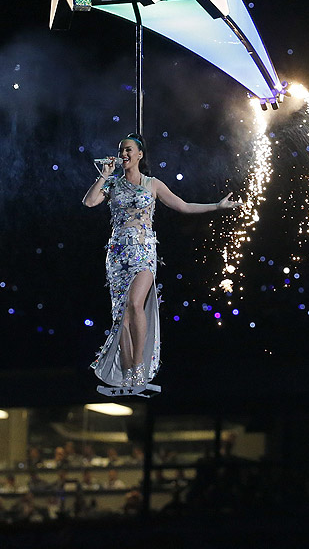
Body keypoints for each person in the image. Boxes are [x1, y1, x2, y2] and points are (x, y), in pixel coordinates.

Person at [83, 134, 240, 391]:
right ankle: (127, 377)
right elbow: (89, 202)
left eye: (128, 150)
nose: (123, 153)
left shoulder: (152, 184)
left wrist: (217, 206)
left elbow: (184, 206)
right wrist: (104, 174)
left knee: (135, 304)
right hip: (118, 254)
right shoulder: (112, 184)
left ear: (140, 155)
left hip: (144, 251)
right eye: (121, 150)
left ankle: (139, 370)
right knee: (121, 316)